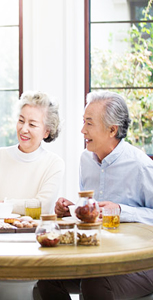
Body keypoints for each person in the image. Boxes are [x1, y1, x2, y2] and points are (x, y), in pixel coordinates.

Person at [37, 91, 153, 299]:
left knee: (95, 284)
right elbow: (91, 214)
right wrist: (71, 209)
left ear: (112, 130)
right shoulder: (86, 160)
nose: (82, 130)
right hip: (94, 257)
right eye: (83, 122)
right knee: (46, 279)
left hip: (139, 264)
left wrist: (120, 210)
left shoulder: (141, 166)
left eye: (89, 123)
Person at [0, 91, 65, 300]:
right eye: (21, 120)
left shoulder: (54, 163)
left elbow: (42, 207)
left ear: (46, 131)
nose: (23, 129)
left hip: (31, 249)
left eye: (32, 124)